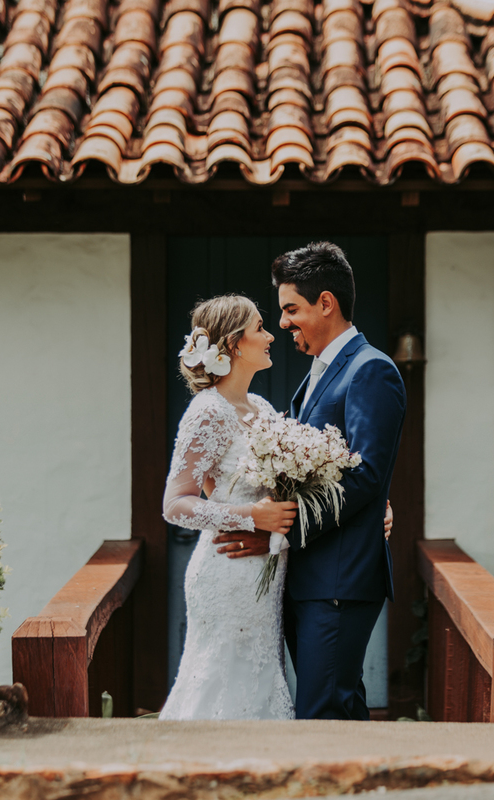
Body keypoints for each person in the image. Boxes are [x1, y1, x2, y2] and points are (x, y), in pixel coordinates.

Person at [213, 242, 406, 720]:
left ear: (327, 303)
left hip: (338, 580)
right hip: (309, 577)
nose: (282, 323)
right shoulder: (317, 375)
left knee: (322, 714)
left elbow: (363, 475)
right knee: (339, 708)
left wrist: (276, 531)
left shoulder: (371, 370)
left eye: (290, 309)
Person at [159, 294, 299, 720]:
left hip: (265, 574)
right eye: (260, 328)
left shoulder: (262, 409)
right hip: (226, 571)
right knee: (224, 681)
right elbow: (175, 504)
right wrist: (252, 517)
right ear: (236, 344)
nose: (271, 334)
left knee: (259, 682)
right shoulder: (208, 411)